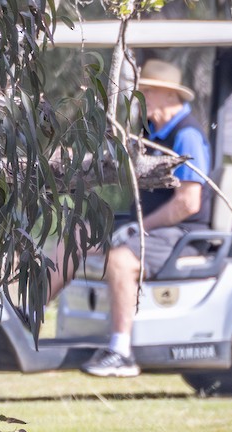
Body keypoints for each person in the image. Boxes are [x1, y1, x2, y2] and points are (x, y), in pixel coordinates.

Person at [50, 59, 211, 377]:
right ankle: (27, 316)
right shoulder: (153, 132)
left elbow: (188, 204)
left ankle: (121, 351)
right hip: (151, 228)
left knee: (121, 261)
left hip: (180, 234)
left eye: (147, 91)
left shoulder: (187, 135)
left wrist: (139, 228)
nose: (142, 97)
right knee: (78, 233)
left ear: (167, 95)